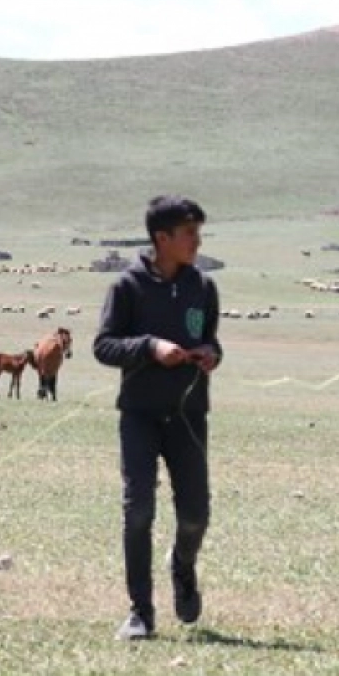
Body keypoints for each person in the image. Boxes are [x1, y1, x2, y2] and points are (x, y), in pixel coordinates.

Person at [93, 195, 223, 640]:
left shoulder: (202, 288)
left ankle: (182, 566)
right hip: (140, 415)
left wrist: (209, 353)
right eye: (189, 234)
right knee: (139, 510)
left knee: (195, 516)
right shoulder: (126, 287)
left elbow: (212, 340)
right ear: (161, 238)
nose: (197, 242)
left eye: (198, 233)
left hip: (189, 416)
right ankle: (140, 612)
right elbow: (104, 346)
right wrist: (150, 347)